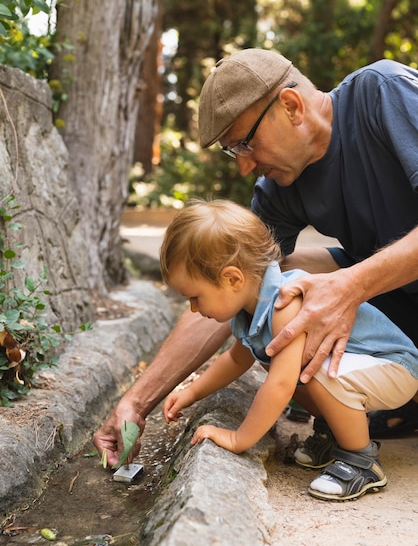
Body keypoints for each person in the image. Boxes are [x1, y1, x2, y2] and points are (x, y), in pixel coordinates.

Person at [93, 48, 418, 468]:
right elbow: (223, 287)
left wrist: (351, 287)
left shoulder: (384, 93)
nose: (245, 167)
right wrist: (136, 403)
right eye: (233, 151)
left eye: (245, 143)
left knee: (325, 282)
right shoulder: (280, 188)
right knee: (278, 274)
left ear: (291, 105)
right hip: (402, 312)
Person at [158, 199, 418, 501]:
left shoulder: (284, 303)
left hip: (392, 365)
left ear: (232, 279)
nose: (193, 308)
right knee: (284, 363)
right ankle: (334, 435)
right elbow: (234, 359)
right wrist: (189, 394)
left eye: (195, 297)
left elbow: (281, 386)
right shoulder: (249, 312)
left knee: (302, 371)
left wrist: (238, 438)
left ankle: (362, 461)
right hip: (361, 367)